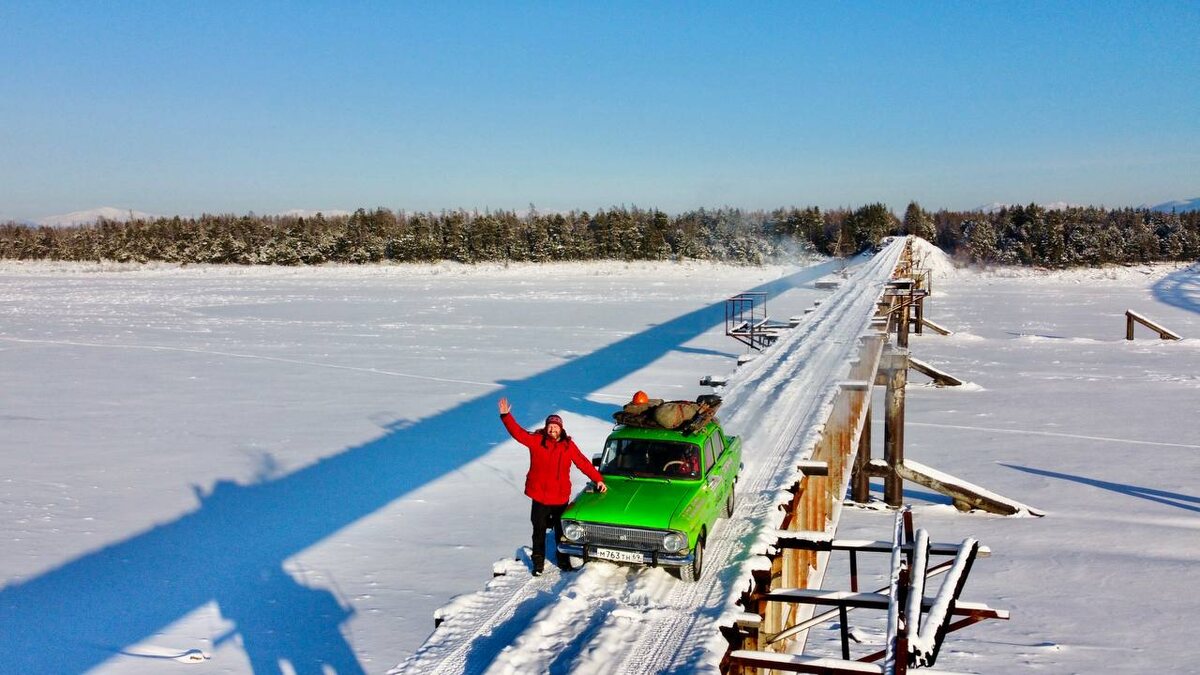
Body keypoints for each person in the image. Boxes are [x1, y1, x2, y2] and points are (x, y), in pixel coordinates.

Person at [498, 397, 607, 575]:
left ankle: (563, 562)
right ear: (546, 427)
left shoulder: (568, 445)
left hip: (560, 497)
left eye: (555, 426)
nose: (552, 429)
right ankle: (538, 564)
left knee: (561, 532)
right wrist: (506, 416)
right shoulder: (536, 441)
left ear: (561, 429)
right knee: (538, 531)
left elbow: (582, 462)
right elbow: (518, 433)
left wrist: (597, 479)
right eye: (550, 426)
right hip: (540, 496)